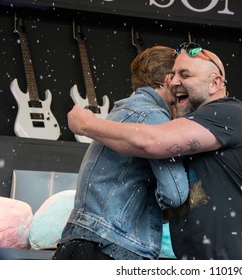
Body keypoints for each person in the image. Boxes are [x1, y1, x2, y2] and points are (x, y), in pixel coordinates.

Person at [67, 43, 242, 260]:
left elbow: (153, 140)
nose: (173, 82)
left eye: (185, 75)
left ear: (215, 83)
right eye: (171, 75)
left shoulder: (230, 112)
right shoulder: (194, 133)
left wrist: (87, 125)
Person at [52, 45, 189, 260]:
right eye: (182, 76)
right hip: (113, 246)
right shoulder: (153, 117)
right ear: (168, 79)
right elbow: (175, 193)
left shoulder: (122, 111)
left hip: (81, 241)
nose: (184, 87)